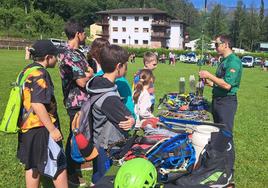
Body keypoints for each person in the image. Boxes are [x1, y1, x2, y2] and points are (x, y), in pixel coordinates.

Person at [17, 40, 68, 188]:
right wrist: (52, 129)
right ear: (47, 57)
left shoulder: (26, 71)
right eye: (55, 56)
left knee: (32, 165)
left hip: (27, 127)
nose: (57, 59)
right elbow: (37, 103)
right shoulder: (40, 73)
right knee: (58, 164)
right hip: (42, 128)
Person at [86, 45, 135, 184]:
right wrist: (132, 120)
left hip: (99, 141)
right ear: (119, 66)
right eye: (125, 65)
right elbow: (126, 121)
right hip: (109, 147)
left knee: (98, 175)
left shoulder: (97, 82)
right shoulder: (109, 97)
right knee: (108, 180)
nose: (126, 68)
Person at [199, 35, 242, 181]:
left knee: (226, 135)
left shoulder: (234, 62)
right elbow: (220, 83)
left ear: (225, 44)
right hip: (218, 101)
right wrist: (210, 83)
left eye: (217, 44)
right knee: (218, 133)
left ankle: (228, 170)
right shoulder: (224, 61)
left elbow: (227, 85)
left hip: (226, 103)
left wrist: (209, 75)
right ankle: (219, 164)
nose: (215, 47)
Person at [58, 20, 93, 186]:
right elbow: (81, 81)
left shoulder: (77, 53)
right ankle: (70, 172)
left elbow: (86, 74)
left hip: (82, 100)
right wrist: (91, 74)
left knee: (80, 133)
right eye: (84, 33)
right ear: (78, 34)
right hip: (75, 101)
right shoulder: (69, 54)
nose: (86, 36)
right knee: (75, 134)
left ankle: (77, 163)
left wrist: (89, 74)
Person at [90, 38, 136, 119]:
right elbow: (129, 108)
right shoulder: (122, 82)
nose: (127, 66)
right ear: (119, 66)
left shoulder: (94, 79)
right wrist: (132, 119)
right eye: (125, 63)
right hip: (115, 129)